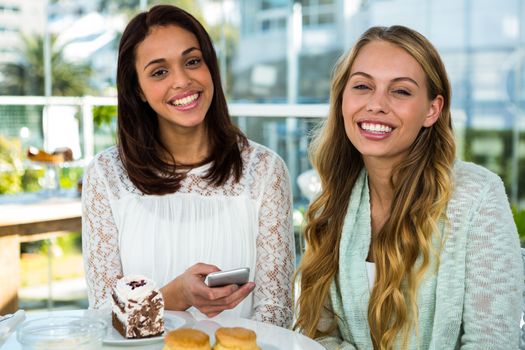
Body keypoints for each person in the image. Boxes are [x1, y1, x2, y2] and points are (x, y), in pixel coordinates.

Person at [294, 25, 522, 349]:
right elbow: (320, 336)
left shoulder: (478, 196)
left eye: (400, 91)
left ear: (432, 109)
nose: (376, 104)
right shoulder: (333, 200)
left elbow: (493, 342)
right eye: (362, 86)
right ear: (342, 98)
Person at [81, 4, 295, 328]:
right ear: (137, 88)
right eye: (159, 72)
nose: (182, 81)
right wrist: (177, 294)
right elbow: (104, 318)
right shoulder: (106, 176)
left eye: (192, 61)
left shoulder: (266, 171)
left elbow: (276, 312)